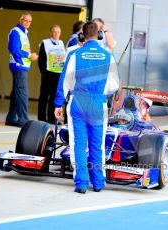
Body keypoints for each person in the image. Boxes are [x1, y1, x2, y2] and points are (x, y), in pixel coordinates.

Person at [54, 21, 119, 194]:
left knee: (78, 144)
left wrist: (58, 103)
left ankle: (82, 183)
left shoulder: (75, 54)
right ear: (99, 36)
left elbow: (65, 82)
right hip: (98, 103)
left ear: (82, 36)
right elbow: (114, 85)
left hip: (78, 102)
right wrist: (101, 93)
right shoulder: (108, 56)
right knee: (97, 144)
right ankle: (98, 182)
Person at [6, 12, 38, 127]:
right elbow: (14, 49)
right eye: (26, 20)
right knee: (22, 93)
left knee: (16, 93)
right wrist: (29, 55)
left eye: (30, 21)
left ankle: (11, 118)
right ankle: (23, 119)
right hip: (18, 66)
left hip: (21, 66)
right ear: (20, 20)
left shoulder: (23, 33)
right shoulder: (16, 32)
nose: (28, 23)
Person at [37, 25, 65, 124]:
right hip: (48, 73)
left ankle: (51, 118)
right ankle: (41, 118)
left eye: (58, 32)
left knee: (54, 96)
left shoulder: (61, 43)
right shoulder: (45, 43)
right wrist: (43, 72)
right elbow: (41, 59)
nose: (56, 34)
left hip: (57, 74)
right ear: (51, 32)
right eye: (54, 31)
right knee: (44, 96)